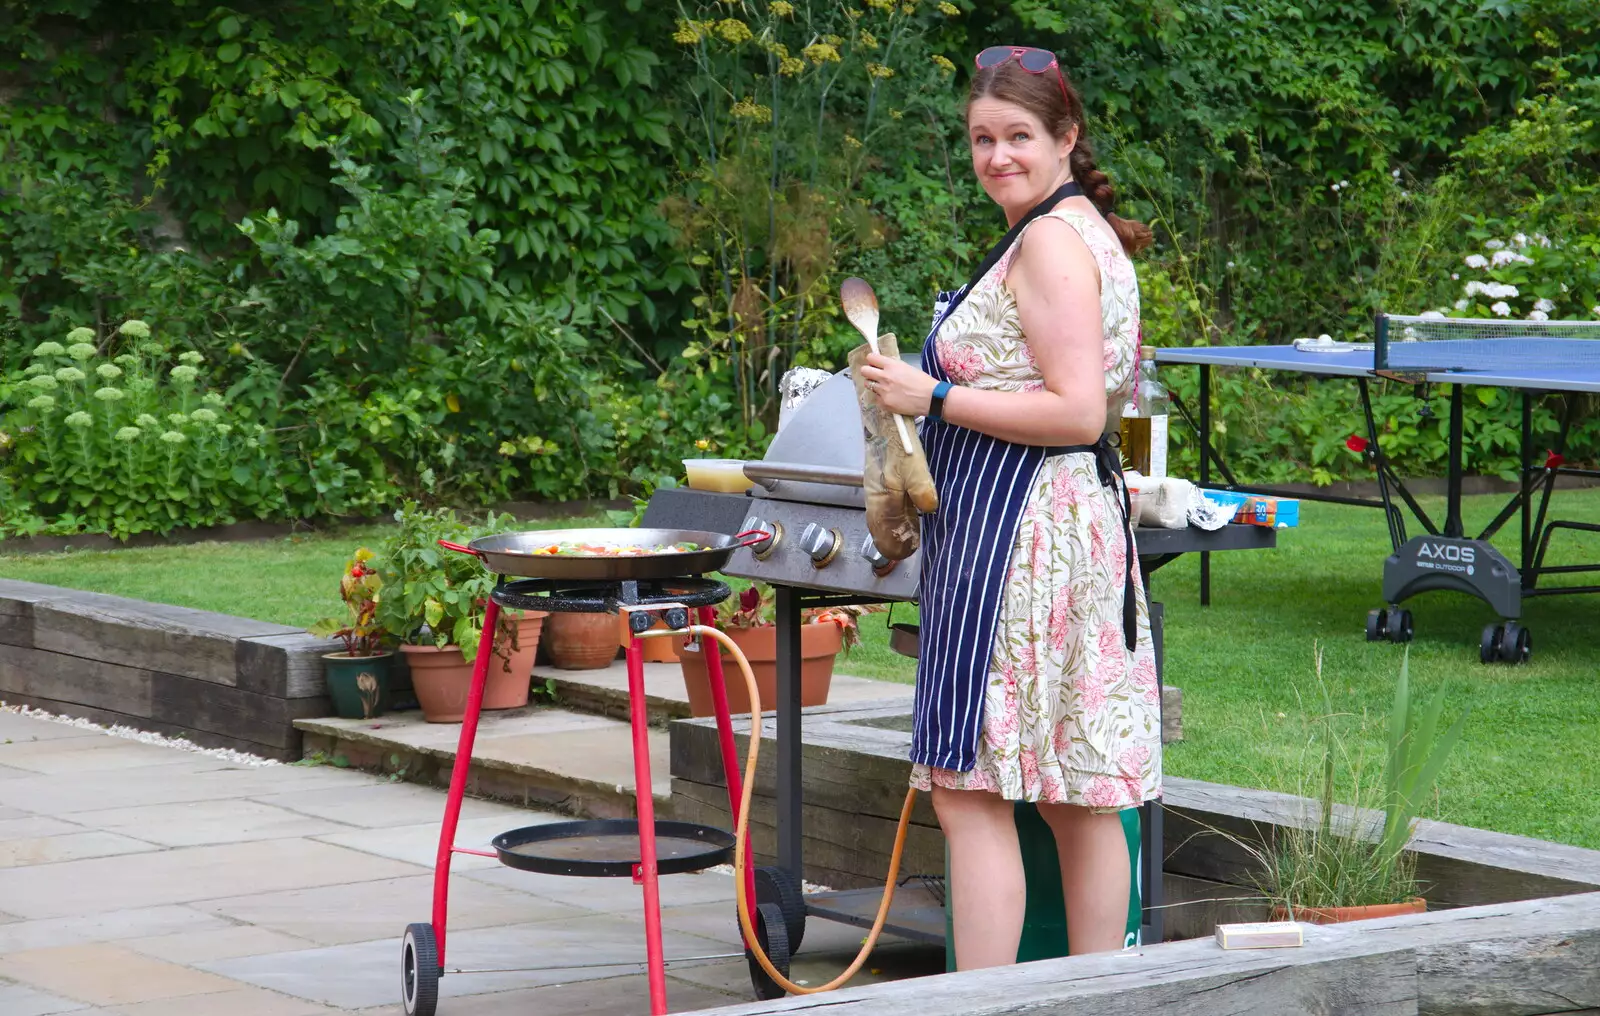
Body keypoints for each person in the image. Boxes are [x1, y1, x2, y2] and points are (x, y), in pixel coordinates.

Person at [855, 46, 1162, 970]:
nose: (998, 156)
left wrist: (931, 399)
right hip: (1051, 526)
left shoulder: (1053, 241)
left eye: (1019, 136)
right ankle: (1096, 996)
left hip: (1017, 537)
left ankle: (981, 1004)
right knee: (1073, 792)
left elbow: (1074, 410)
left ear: (1066, 137)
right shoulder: (1064, 227)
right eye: (984, 139)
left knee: (970, 790)